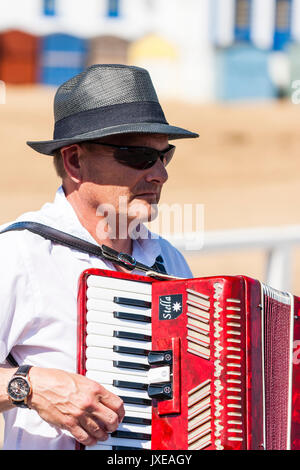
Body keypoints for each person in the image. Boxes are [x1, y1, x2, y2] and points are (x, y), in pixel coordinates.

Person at [0, 64, 199, 450]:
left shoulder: (170, 261)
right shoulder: (18, 254)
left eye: (165, 156)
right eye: (139, 155)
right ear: (74, 162)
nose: (160, 174)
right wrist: (30, 386)